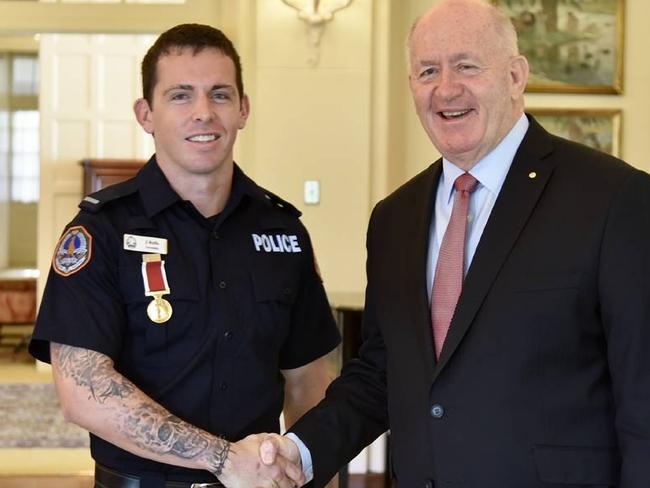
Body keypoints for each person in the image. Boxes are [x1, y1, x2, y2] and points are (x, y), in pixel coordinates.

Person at [260, 0, 650, 486]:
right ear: (412, 87)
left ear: (515, 75)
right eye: (428, 71)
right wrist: (299, 452)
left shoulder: (612, 198)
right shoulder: (394, 218)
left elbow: (643, 395)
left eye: (467, 65)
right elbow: (382, 374)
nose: (446, 88)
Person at [29, 23, 340, 488]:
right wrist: (224, 459)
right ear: (145, 113)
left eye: (219, 94)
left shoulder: (283, 231)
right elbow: (82, 391)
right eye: (180, 95)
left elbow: (308, 384)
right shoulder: (100, 231)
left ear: (243, 109)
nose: (203, 113)